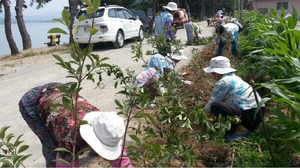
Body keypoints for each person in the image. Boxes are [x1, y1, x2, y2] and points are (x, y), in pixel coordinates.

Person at [18, 82, 132, 167]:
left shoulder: (109, 127)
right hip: (32, 102)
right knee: (53, 148)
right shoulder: (69, 139)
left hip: (61, 89)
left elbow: (122, 161)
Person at [203, 56, 264, 142]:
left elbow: (213, 101)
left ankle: (242, 130)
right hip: (259, 113)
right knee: (221, 105)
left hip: (250, 115)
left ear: (217, 72)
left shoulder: (223, 82)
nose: (212, 75)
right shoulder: (235, 78)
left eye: (213, 73)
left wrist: (203, 115)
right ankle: (245, 125)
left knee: (215, 106)